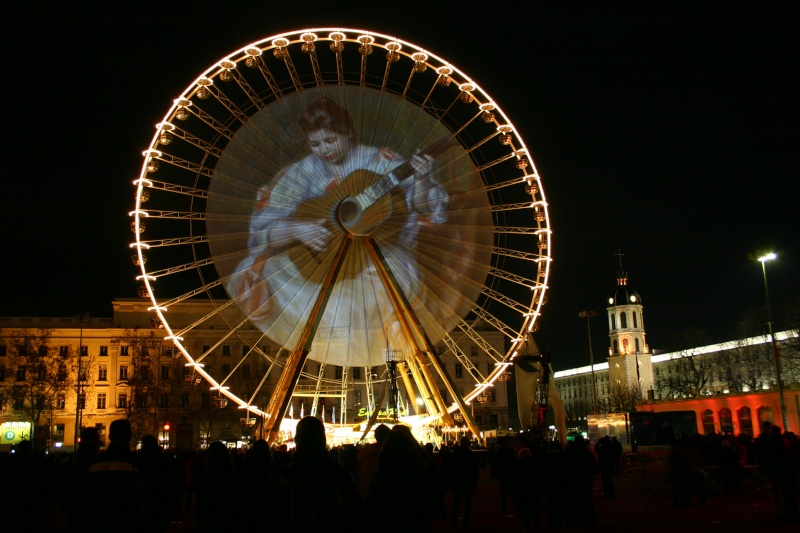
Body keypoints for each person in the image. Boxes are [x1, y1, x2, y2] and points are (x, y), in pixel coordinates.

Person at [226, 96, 449, 353]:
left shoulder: (382, 162)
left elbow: (425, 209)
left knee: (359, 298)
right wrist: (296, 229)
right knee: (267, 274)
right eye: (315, 143)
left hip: (377, 254)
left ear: (349, 133)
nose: (324, 149)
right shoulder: (301, 172)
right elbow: (262, 231)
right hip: (318, 255)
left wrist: (422, 178)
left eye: (331, 140)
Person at [270, 416, 363, 531]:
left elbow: (270, 516)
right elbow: (357, 512)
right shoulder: (339, 474)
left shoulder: (282, 478)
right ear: (323, 439)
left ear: (296, 440)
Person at [80, 419, 144, 532]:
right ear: (129, 437)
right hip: (128, 522)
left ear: (109, 436)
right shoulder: (137, 463)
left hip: (100, 522)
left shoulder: (95, 462)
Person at [449, 436, 480, 530]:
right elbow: (475, 469)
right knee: (467, 504)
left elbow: (451, 468)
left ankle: (453, 523)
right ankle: (466, 524)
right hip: (468, 481)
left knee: (456, 503)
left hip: (458, 481)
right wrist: (475, 481)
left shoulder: (455, 454)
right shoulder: (470, 454)